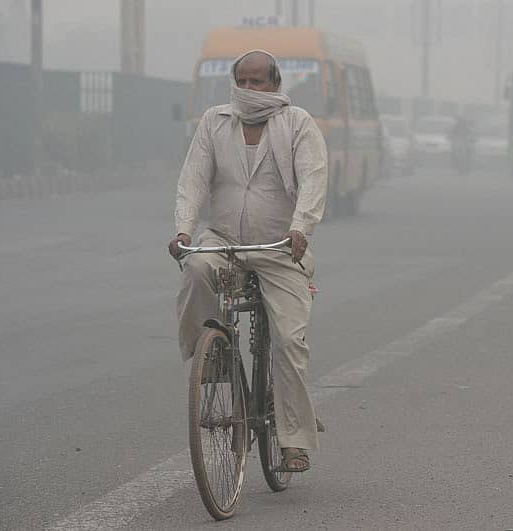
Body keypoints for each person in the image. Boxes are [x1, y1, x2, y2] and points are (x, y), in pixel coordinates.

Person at [168, 50, 327, 473]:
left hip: (279, 247)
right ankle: (213, 361)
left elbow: (313, 179)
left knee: (289, 343)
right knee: (197, 270)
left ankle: (294, 440)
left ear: (276, 84)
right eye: (244, 81)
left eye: (259, 81)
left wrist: (301, 229)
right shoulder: (215, 122)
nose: (251, 89)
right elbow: (193, 178)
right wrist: (184, 230)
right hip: (222, 240)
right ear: (234, 83)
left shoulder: (298, 124)